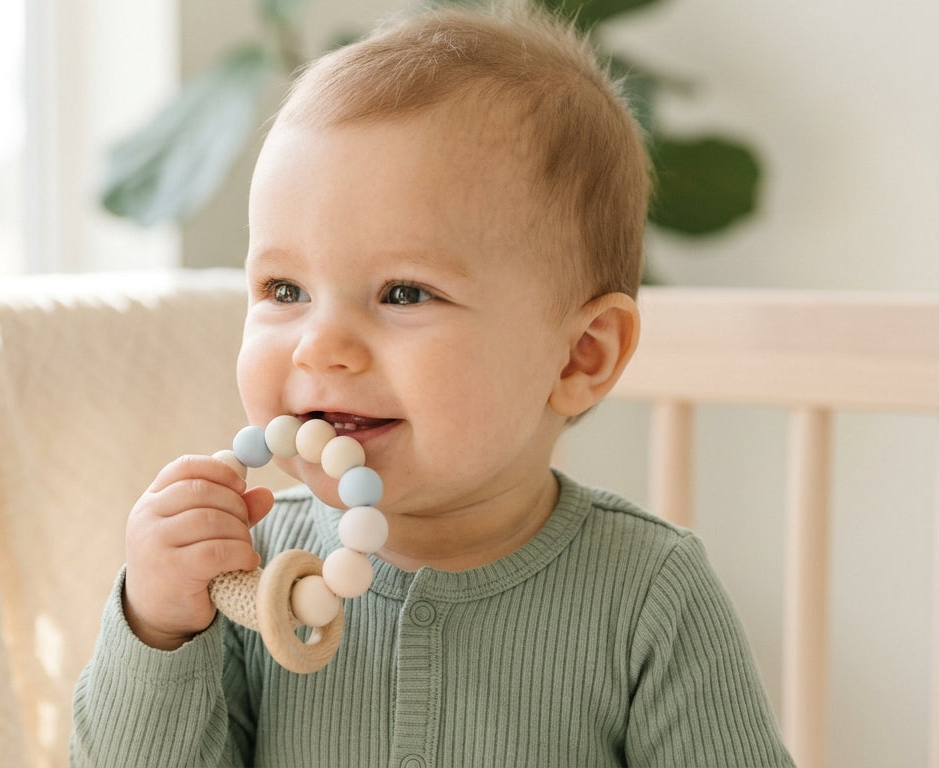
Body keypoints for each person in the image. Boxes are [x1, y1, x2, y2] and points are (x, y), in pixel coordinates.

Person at [71, 3, 795, 766]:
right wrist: (158, 629)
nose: (321, 346)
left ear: (579, 357)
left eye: (404, 293)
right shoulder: (243, 570)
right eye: (285, 290)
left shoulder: (650, 593)